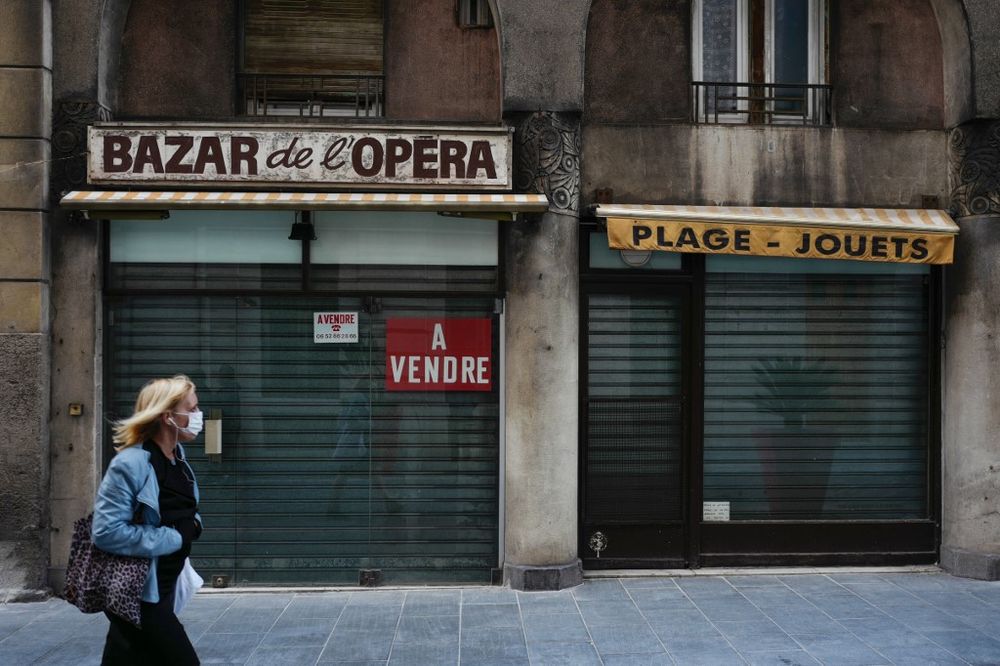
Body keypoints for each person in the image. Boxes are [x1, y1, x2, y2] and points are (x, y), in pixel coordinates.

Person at [92, 375, 204, 665]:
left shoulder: (177, 457)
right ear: (168, 416)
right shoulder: (131, 464)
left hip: (162, 583)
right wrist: (175, 537)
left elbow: (180, 508)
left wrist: (194, 525)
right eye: (191, 410)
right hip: (138, 592)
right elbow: (106, 532)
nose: (197, 416)